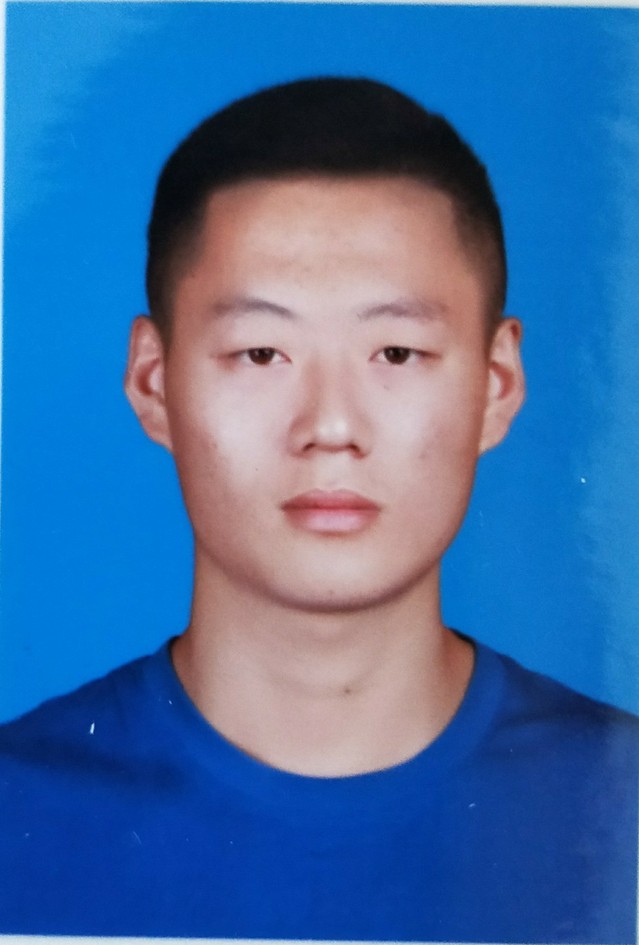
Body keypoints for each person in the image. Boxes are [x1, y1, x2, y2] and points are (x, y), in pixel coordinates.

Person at [0, 77, 637, 943]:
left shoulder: (621, 807)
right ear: (153, 382)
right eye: (261, 352)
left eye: (396, 352)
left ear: (496, 386)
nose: (330, 427)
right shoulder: (14, 817)